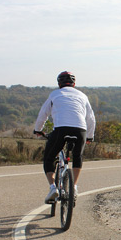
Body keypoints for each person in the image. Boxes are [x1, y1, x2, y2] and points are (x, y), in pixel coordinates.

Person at [34, 71, 96, 204]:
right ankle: (74, 188)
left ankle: (52, 188)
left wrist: (38, 130)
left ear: (59, 83)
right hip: (80, 130)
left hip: (61, 129)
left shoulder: (55, 94)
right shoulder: (83, 96)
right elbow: (91, 119)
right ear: (74, 84)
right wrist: (90, 137)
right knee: (77, 156)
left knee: (49, 157)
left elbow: (43, 114)